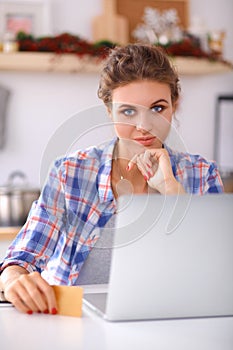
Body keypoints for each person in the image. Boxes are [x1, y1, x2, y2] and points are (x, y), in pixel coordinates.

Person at [0, 44, 224, 315]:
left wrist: (172, 192)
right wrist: (13, 278)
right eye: (128, 111)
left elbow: (217, 274)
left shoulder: (202, 175)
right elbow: (22, 257)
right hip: (74, 326)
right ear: (109, 111)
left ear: (174, 105)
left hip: (168, 326)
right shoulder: (70, 173)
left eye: (157, 108)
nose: (144, 126)